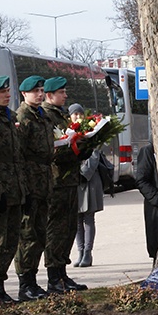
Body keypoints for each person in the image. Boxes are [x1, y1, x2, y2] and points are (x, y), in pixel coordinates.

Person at [41, 76, 90, 293]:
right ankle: (53, 277)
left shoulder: (61, 115)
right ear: (50, 95)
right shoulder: (46, 117)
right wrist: (72, 150)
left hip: (69, 179)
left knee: (69, 228)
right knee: (57, 229)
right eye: (61, 92)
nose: (66, 96)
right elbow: (52, 150)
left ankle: (62, 273)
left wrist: (85, 145)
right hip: (56, 180)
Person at [0, 75, 27, 305]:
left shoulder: (9, 117)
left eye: (8, 91)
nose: (7, 94)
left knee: (10, 240)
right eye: (2, 92)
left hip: (14, 187)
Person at [14, 75, 52, 301]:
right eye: (35, 91)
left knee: (39, 234)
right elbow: (19, 155)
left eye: (41, 90)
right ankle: (24, 282)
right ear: (24, 94)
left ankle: (33, 280)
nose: (39, 94)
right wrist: (24, 188)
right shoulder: (23, 117)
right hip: (30, 181)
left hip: (44, 181)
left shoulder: (42, 116)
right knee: (27, 235)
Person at [71, 103, 104, 268]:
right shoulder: (68, 133)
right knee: (77, 219)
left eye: (79, 113)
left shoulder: (91, 133)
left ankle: (88, 253)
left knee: (88, 218)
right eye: (74, 114)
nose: (77, 116)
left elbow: (94, 155)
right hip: (74, 181)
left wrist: (83, 173)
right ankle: (80, 251)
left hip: (88, 180)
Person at [135, 142, 158, 265]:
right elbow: (141, 179)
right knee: (157, 243)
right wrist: (157, 199)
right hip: (156, 206)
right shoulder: (148, 151)